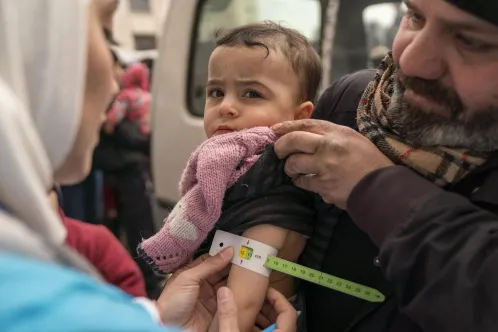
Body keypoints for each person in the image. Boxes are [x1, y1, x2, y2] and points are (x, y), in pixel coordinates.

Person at [0, 0, 295, 331]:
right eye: (105, 32)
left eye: (252, 94)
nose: (116, 82)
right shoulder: (67, 309)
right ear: (32, 47)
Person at [271, 0, 498, 331]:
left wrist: (375, 187)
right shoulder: (351, 103)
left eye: (470, 41)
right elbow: (276, 211)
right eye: (416, 16)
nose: (411, 59)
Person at [139, 22, 322, 331]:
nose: (226, 106)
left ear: (300, 116)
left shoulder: (277, 183)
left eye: (251, 93)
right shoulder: (225, 170)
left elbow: (244, 295)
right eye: (216, 92)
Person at [105, 62, 152, 135]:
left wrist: (109, 125)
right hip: (146, 134)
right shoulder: (148, 95)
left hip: (132, 135)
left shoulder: (126, 95)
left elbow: (117, 114)